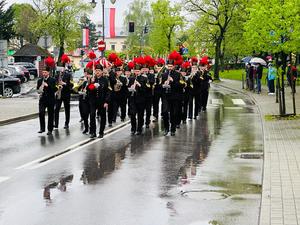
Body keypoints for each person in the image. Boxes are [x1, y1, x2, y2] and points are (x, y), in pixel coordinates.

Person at [161, 51, 185, 136]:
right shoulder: (164, 74)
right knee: (164, 112)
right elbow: (160, 85)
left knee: (173, 113)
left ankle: (173, 129)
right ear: (167, 66)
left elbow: (182, 85)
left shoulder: (178, 75)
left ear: (174, 66)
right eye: (168, 66)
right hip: (166, 96)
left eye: (171, 66)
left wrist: (173, 81)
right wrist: (164, 85)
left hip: (175, 96)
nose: (170, 68)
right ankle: (166, 128)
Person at [87, 64, 111, 138]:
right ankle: (92, 132)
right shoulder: (92, 79)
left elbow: (109, 91)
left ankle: (101, 132)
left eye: (99, 71)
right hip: (93, 101)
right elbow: (88, 90)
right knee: (92, 115)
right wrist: (92, 84)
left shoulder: (105, 80)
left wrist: (106, 101)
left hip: (102, 101)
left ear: (102, 71)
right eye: (96, 70)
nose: (97, 72)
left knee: (102, 117)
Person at [128, 57, 148, 135]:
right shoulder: (132, 78)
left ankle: (139, 128)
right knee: (132, 114)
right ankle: (133, 128)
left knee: (140, 115)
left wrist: (139, 85)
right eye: (135, 71)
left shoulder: (144, 78)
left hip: (141, 99)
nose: (136, 72)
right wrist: (131, 87)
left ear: (141, 71)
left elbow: (145, 89)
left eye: (138, 71)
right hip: (133, 99)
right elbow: (128, 88)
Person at [37, 57, 57, 135]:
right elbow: (38, 90)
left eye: (45, 72)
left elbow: (54, 89)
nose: (44, 74)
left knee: (50, 114)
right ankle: (42, 128)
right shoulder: (40, 80)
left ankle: (50, 129)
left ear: (48, 73)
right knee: (41, 113)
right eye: (43, 72)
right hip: (42, 99)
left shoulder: (52, 80)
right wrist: (40, 89)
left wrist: (47, 86)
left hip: (50, 99)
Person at [54, 54, 74, 129]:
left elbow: (71, 85)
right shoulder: (57, 75)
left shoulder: (68, 74)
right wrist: (56, 86)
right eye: (59, 68)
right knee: (56, 109)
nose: (60, 70)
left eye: (61, 68)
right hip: (59, 93)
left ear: (63, 67)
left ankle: (66, 123)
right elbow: (54, 83)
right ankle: (56, 124)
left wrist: (65, 84)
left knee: (67, 109)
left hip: (66, 94)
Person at [78, 68, 91, 134]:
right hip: (84, 100)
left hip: (91, 100)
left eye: (88, 74)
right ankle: (86, 128)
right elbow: (82, 89)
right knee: (85, 115)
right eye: (86, 74)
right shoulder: (85, 82)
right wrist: (82, 91)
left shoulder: (93, 82)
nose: (87, 75)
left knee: (91, 115)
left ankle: (91, 128)